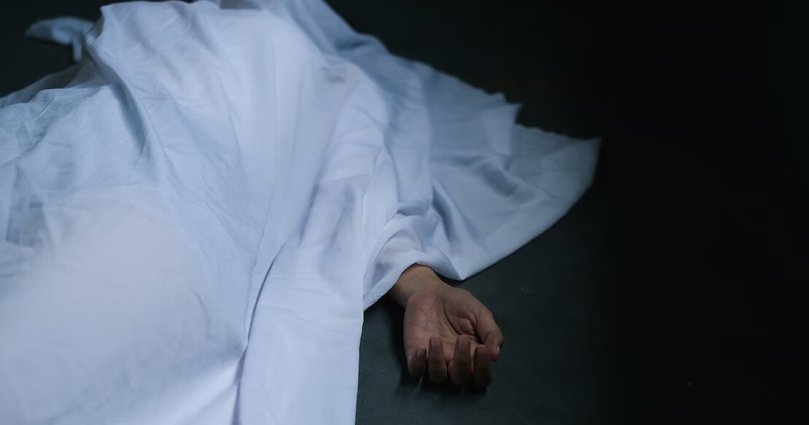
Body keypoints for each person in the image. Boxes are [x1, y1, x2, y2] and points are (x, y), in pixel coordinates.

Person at [0, 0, 597, 423]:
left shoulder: (316, 69)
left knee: (68, 303)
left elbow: (344, 178)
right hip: (95, 158)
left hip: (164, 220)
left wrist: (417, 283)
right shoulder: (161, 22)